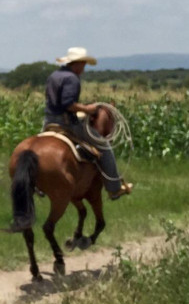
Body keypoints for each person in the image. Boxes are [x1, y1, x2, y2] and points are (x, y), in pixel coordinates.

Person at [44, 47, 133, 200]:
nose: (84, 68)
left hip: (49, 121)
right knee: (104, 146)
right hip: (66, 123)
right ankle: (114, 188)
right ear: (77, 63)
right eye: (83, 64)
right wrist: (88, 109)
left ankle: (38, 186)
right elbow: (68, 104)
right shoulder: (72, 78)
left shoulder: (54, 75)